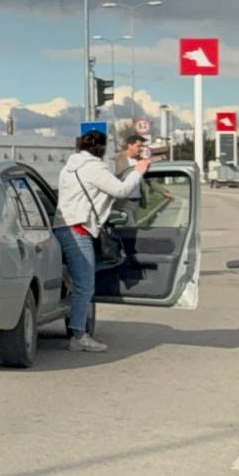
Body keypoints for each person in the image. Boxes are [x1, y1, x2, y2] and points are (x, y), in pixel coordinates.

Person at [55, 130, 151, 352]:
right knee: (85, 285)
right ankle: (79, 336)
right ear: (102, 148)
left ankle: (68, 276)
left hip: (62, 226)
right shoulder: (95, 168)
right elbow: (121, 190)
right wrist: (139, 170)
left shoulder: (68, 167)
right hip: (79, 229)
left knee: (82, 278)